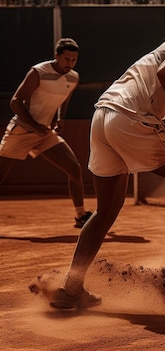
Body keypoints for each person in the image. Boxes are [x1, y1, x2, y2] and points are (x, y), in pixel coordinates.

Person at [49, 7, 165, 310]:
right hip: (130, 118)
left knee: (104, 212)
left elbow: (163, 76)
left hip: (103, 116)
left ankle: (71, 288)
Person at [0, 38, 92, 228]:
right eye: (66, 59)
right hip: (21, 131)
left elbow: (64, 100)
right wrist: (34, 126)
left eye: (74, 60)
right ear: (56, 56)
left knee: (74, 168)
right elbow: (15, 102)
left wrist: (60, 118)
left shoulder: (73, 77)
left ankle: (81, 215)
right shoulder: (38, 72)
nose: (70, 64)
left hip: (44, 133)